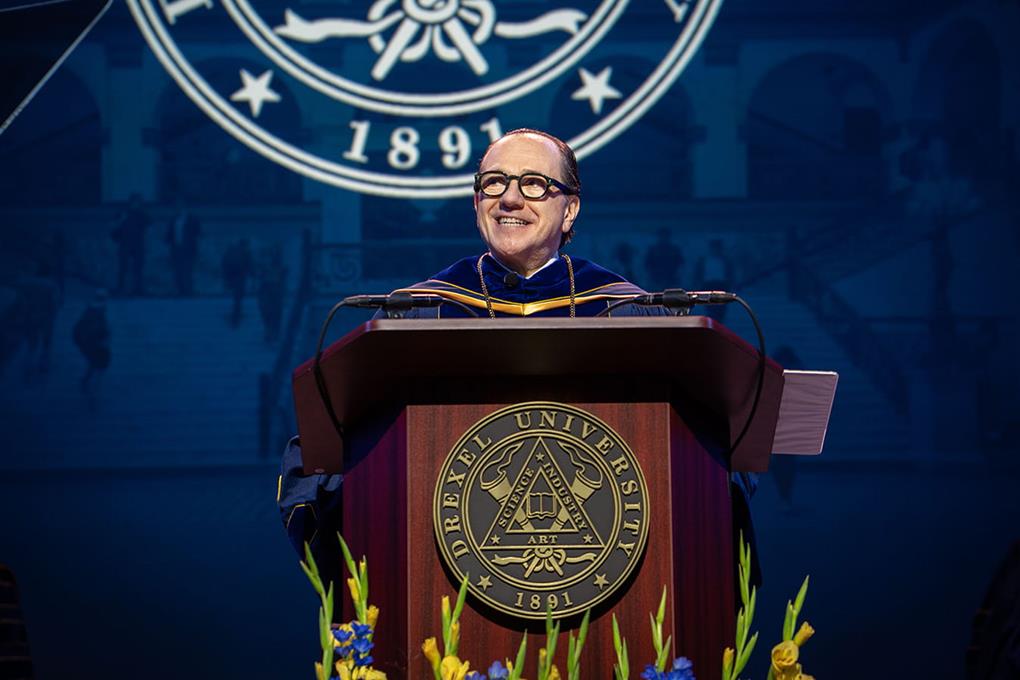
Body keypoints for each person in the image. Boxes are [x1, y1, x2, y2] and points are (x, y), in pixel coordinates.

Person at [277, 130, 759, 592]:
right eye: (494, 183)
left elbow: (718, 453)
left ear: (569, 209)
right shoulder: (418, 313)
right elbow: (325, 454)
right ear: (476, 203)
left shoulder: (629, 313)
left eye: (534, 183)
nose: (509, 199)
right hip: (440, 584)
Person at [165, 200, 202, 297]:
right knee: (177, 270)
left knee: (188, 269)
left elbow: (199, 233)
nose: (178, 209)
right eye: (177, 207)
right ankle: (180, 290)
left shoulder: (192, 219)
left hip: (189, 249)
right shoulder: (174, 220)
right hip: (176, 248)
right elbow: (169, 234)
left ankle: (188, 290)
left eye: (180, 207)